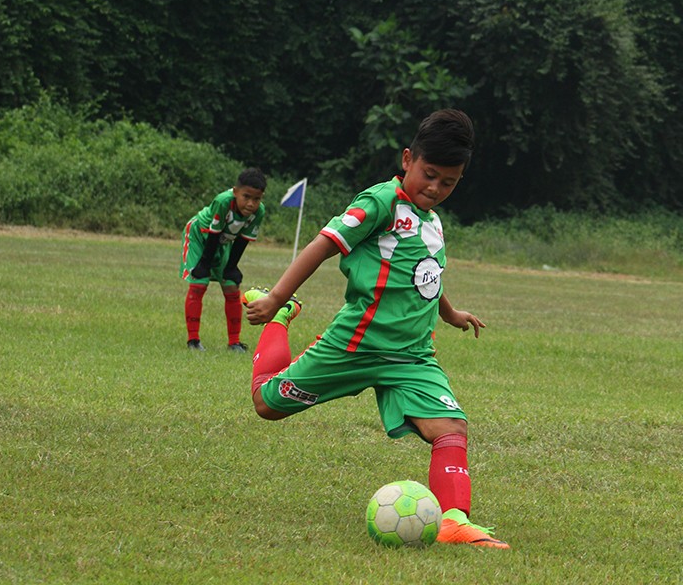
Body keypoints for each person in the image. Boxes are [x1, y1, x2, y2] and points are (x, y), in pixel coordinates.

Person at [243, 109, 509, 549]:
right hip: (355, 346)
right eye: (429, 174)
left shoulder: (432, 220)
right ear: (407, 159)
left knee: (451, 430)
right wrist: (274, 296)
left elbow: (424, 273)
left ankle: (453, 521)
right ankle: (280, 318)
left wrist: (449, 312)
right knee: (267, 404)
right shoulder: (379, 202)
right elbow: (323, 245)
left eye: (449, 182)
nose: (435, 188)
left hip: (412, 356)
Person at [181, 167, 267, 353]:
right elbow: (213, 233)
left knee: (231, 285)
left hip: (223, 241)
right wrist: (203, 264)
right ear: (235, 192)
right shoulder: (223, 201)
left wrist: (232, 266)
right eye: (246, 197)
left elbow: (243, 240)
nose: (251, 203)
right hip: (201, 236)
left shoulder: (258, 212)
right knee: (199, 283)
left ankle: (234, 342)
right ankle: (193, 341)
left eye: (256, 199)